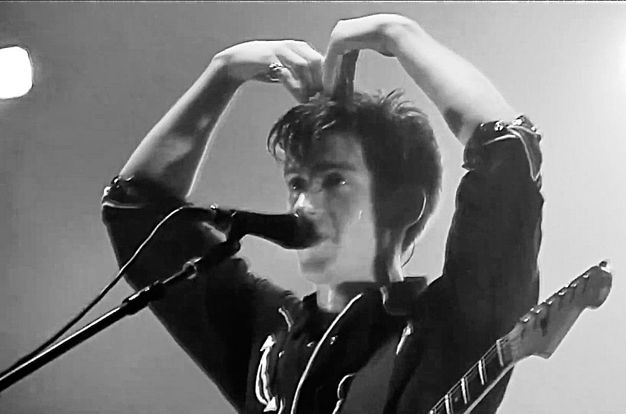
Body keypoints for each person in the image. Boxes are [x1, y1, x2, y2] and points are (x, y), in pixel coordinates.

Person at [101, 14, 542, 414]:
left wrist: (399, 35)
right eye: (297, 183)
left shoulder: (452, 321)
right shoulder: (269, 337)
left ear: (404, 205)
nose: (302, 205)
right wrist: (224, 71)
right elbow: (138, 211)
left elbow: (511, 156)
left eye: (334, 180)